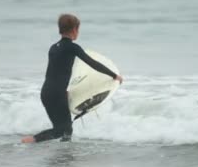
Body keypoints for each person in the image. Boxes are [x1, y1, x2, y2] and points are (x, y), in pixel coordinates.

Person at [22, 14, 123, 143]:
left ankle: (64, 157)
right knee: (61, 130)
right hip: (57, 93)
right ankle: (30, 141)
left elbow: (54, 72)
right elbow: (92, 63)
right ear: (74, 29)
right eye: (78, 30)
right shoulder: (72, 47)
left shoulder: (53, 48)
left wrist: (63, 90)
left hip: (47, 92)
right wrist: (114, 75)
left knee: (66, 130)